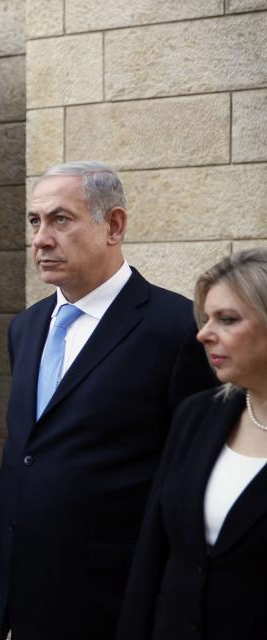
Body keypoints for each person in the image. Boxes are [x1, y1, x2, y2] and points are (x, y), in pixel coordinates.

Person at [0, 161, 218, 640]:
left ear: (113, 225)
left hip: (115, 598)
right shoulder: (26, 327)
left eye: (60, 219)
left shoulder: (176, 329)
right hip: (26, 590)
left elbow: (191, 476)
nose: (40, 239)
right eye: (35, 221)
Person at [117, 248, 267, 639]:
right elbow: (154, 554)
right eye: (205, 318)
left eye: (227, 319)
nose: (203, 333)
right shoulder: (196, 417)